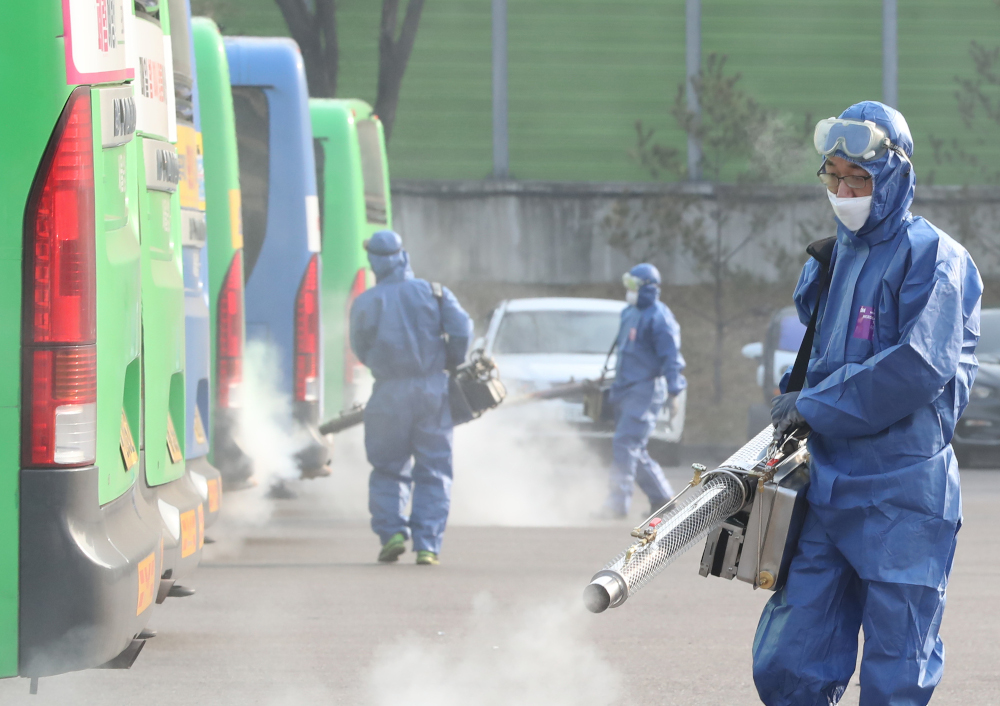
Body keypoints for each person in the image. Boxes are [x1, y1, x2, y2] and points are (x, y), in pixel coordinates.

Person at [754, 102, 982, 706]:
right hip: (829, 483)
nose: (845, 191)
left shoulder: (936, 257)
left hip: (903, 493)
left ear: (894, 177)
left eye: (859, 179)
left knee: (896, 666)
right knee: (790, 654)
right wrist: (796, 395)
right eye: (835, 177)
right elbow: (825, 358)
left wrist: (815, 404)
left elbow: (917, 367)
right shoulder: (834, 257)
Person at [349, 230, 471, 566]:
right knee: (434, 471)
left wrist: (380, 364)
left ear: (373, 260)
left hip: (388, 393)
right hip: (433, 391)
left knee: (388, 468)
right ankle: (427, 546)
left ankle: (392, 535)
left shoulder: (366, 301)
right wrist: (449, 360)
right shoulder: (435, 293)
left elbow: (359, 347)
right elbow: (463, 330)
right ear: (403, 255)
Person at [600, 263, 686, 518]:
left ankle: (617, 504)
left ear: (648, 288)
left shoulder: (660, 318)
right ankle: (662, 498)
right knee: (633, 447)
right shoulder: (629, 313)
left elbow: (671, 358)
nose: (628, 290)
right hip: (625, 389)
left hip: (646, 390)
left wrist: (674, 392)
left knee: (625, 444)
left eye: (633, 286)